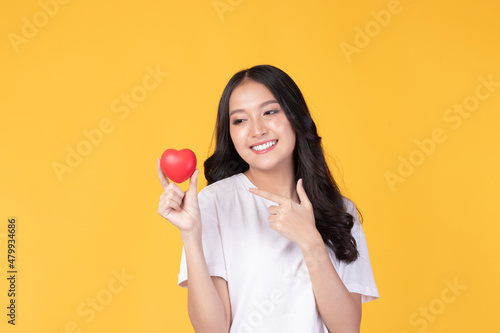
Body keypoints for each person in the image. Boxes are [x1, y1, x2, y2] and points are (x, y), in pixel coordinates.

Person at [156, 64, 379, 332]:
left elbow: (347, 329)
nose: (257, 130)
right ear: (231, 133)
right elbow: (212, 329)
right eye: (240, 120)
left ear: (295, 117)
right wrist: (190, 234)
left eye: (270, 112)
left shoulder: (340, 210)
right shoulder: (214, 202)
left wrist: (311, 243)